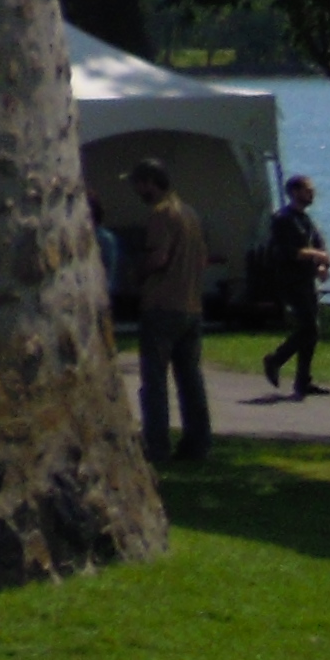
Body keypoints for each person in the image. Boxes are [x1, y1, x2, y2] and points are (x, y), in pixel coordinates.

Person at [129, 157, 212, 467]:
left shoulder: (162, 214)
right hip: (191, 306)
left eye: (138, 183)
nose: (137, 190)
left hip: (161, 306)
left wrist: (137, 273)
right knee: (191, 379)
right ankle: (198, 443)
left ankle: (157, 447)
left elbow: (159, 257)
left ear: (151, 182)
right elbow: (201, 258)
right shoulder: (190, 214)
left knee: (154, 381)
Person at [258, 174, 330, 397]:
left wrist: (321, 266)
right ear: (294, 192)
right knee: (309, 327)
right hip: (290, 281)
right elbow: (290, 252)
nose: (312, 194)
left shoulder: (305, 220)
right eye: (307, 190)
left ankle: (303, 381)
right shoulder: (283, 220)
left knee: (312, 331)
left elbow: (318, 245)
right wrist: (317, 255)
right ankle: (275, 359)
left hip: (307, 280)